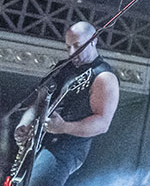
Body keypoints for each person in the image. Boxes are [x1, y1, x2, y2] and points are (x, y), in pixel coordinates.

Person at [13, 22, 119, 185]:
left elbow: (102, 123)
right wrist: (24, 124)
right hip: (38, 143)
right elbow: (37, 103)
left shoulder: (103, 77)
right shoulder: (62, 68)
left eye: (77, 46)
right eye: (68, 47)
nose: (72, 53)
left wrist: (64, 127)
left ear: (93, 40)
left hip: (66, 149)